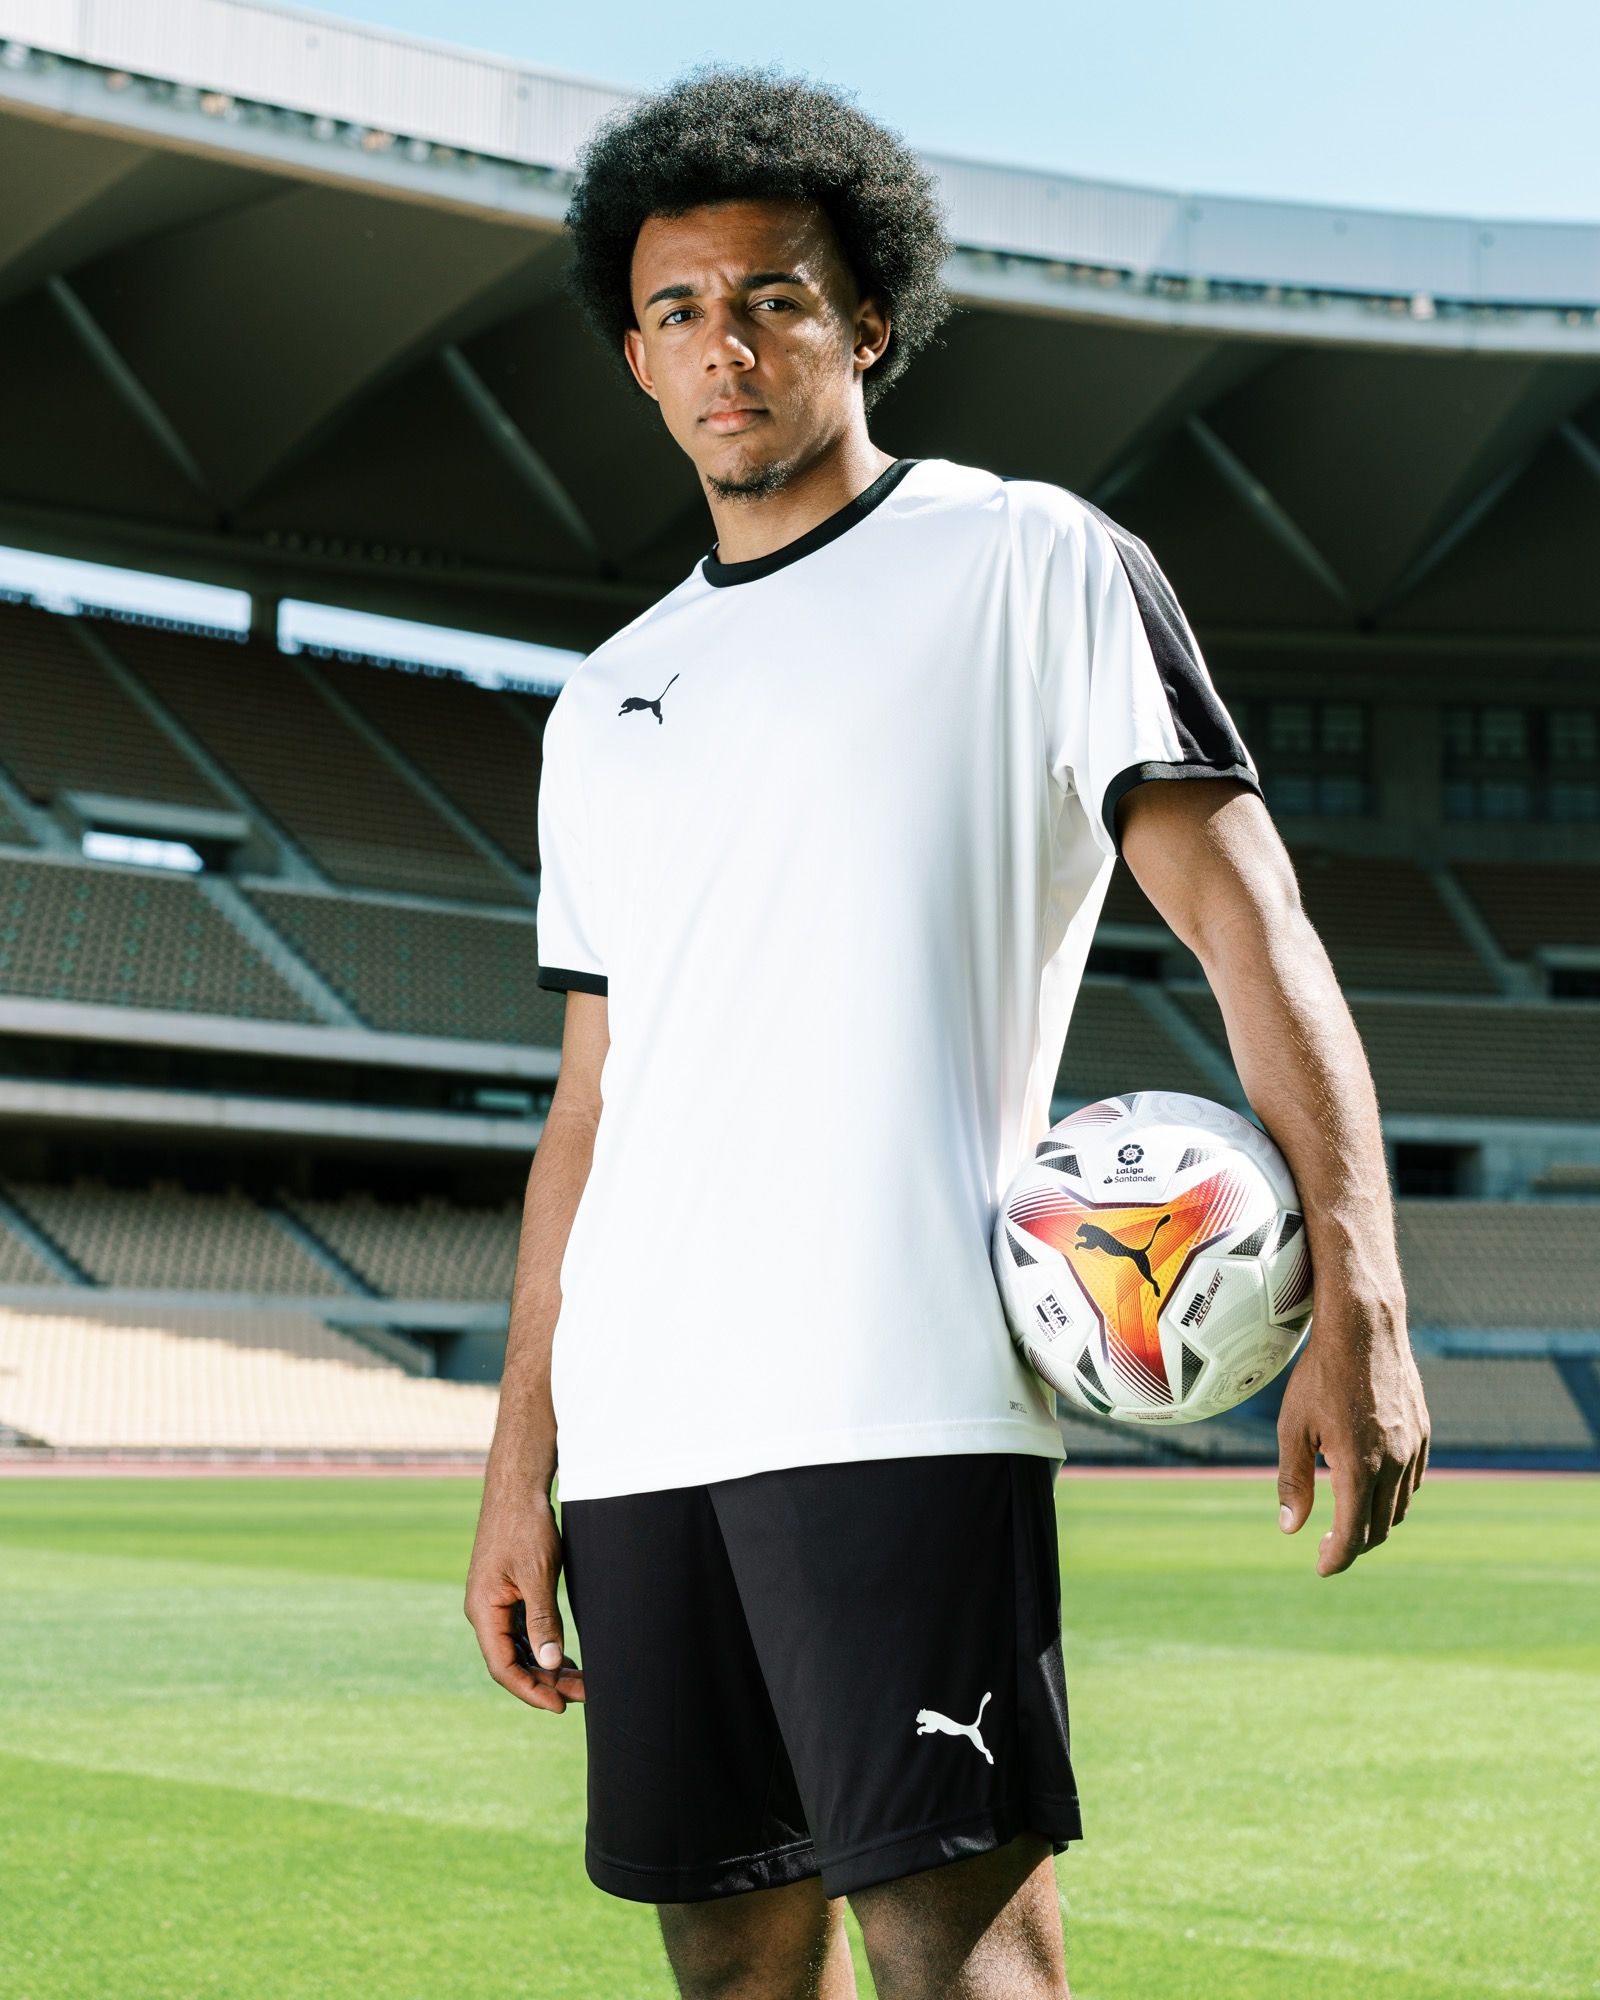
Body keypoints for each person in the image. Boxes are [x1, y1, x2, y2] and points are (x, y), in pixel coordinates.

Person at [465, 63, 1431, 2000]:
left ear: (867, 323)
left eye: (774, 297)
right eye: (676, 310)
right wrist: (519, 1457)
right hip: (643, 1430)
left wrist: (1365, 1290)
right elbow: (589, 1108)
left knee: (963, 1967)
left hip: (892, 1394)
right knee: (734, 1972)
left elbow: (1250, 925)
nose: (725, 344)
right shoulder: (602, 703)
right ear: (637, 360)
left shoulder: (1028, 562)